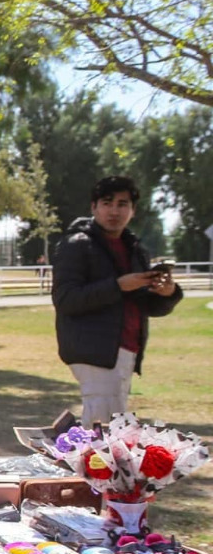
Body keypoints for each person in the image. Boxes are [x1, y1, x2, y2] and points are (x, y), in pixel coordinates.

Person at [52, 175, 183, 425]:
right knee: (103, 427)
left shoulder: (134, 248)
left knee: (110, 425)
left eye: (123, 204)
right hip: (93, 349)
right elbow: (66, 299)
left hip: (126, 348)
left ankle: (78, 459)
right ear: (94, 207)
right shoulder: (76, 245)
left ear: (133, 210)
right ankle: (77, 461)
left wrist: (168, 294)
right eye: (107, 202)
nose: (114, 210)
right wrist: (118, 286)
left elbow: (144, 304)